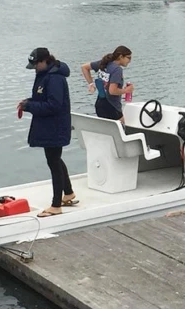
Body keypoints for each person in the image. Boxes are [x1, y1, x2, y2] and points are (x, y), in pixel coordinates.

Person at [18, 47, 75, 218]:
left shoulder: (55, 78)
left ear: (45, 61)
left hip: (55, 126)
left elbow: (54, 105)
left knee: (54, 162)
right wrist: (28, 102)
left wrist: (30, 107)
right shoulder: (44, 75)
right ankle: (69, 193)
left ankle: (56, 205)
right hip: (49, 126)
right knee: (55, 159)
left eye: (36, 65)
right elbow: (42, 99)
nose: (34, 68)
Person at [80, 45, 134, 124]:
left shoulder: (104, 63)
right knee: (121, 130)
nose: (130, 61)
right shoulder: (117, 70)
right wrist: (126, 90)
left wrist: (91, 84)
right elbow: (112, 91)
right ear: (121, 56)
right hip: (112, 107)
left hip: (100, 104)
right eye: (128, 58)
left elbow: (84, 67)